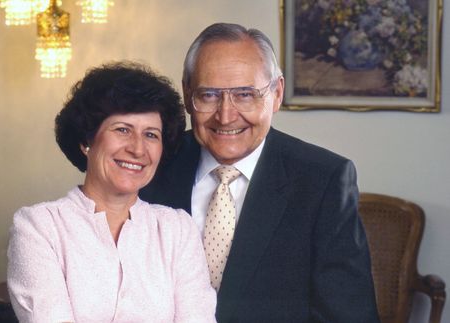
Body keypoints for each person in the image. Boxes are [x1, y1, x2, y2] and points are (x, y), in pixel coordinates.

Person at [139, 23, 380, 322]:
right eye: (209, 95)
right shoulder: (150, 165)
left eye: (245, 94)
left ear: (276, 94)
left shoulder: (323, 180)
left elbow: (349, 316)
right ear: (188, 95)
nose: (226, 116)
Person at [7, 61, 216, 322]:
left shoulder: (177, 230)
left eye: (151, 135)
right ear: (86, 140)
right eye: (122, 130)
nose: (138, 149)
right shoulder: (39, 227)